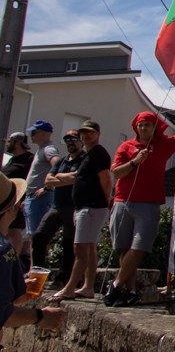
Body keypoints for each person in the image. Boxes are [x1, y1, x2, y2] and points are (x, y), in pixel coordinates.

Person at [106, 100, 175, 306]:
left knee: (139, 247)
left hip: (148, 203)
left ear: (154, 127)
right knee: (124, 249)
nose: (143, 128)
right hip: (123, 200)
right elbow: (116, 172)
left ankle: (114, 286)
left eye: (147, 124)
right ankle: (129, 291)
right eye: (140, 125)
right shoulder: (126, 147)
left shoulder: (163, 145)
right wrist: (134, 161)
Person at [0, 170, 66, 352]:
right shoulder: (4, 251)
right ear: (12, 209)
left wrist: (17, 293)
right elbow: (3, 314)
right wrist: (41, 317)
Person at [48, 119, 110, 302]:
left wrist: (106, 200)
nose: (86, 136)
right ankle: (88, 287)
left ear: (98, 134)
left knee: (80, 247)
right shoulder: (90, 154)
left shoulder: (97, 153)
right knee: (89, 247)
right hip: (86, 207)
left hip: (91, 207)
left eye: (90, 132)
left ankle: (69, 288)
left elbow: (106, 179)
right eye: (83, 133)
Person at [32, 130, 83, 284]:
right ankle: (37, 275)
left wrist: (58, 178)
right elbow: (48, 181)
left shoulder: (84, 159)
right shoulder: (62, 161)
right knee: (39, 236)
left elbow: (77, 177)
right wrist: (65, 178)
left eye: (74, 139)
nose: (70, 143)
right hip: (57, 206)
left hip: (73, 206)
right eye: (67, 140)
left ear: (80, 141)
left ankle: (63, 278)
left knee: (68, 244)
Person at [23, 120, 60, 255]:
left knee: (36, 236)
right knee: (32, 236)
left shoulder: (48, 149)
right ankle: (33, 269)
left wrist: (47, 187)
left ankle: (36, 270)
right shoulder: (41, 149)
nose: (31, 135)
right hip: (33, 197)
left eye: (34, 132)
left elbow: (57, 165)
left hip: (40, 197)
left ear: (44, 133)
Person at [1, 133, 32, 263]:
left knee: (14, 231)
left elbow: (32, 180)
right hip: (6, 200)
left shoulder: (29, 159)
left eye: (9, 141)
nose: (7, 143)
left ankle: (12, 262)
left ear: (17, 143)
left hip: (17, 202)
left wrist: (23, 199)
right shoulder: (13, 159)